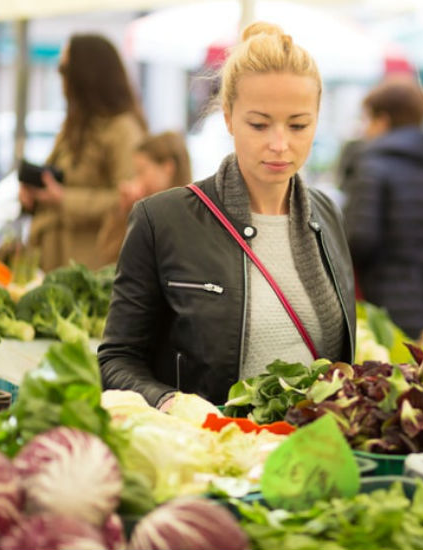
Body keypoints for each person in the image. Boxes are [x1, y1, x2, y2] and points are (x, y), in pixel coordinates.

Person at [98, 22, 356, 409]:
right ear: (228, 117)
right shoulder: (162, 220)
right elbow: (117, 360)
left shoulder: (326, 215)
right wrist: (170, 404)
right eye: (259, 124)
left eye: (298, 125)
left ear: (317, 119)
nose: (279, 144)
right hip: (209, 454)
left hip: (307, 453)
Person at [342, 77, 423, 338]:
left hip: (389, 304)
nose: (365, 129)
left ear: (382, 121)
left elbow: (360, 238)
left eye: (368, 120)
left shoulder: (372, 166)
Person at [19, 33, 147, 271]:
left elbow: (130, 199)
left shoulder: (122, 130)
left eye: (64, 70)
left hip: (90, 270)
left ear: (87, 74)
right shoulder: (73, 126)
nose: (61, 79)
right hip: (52, 262)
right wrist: (33, 196)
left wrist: (64, 199)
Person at [96, 131, 192, 266]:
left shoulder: (186, 214)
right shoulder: (143, 209)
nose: (137, 180)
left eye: (141, 171)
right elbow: (108, 255)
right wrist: (123, 212)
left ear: (167, 168)